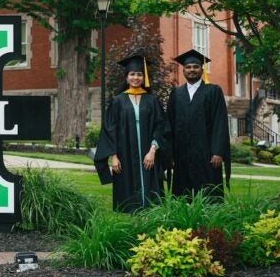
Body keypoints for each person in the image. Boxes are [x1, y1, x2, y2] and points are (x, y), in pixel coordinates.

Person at [94, 54, 170, 213]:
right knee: (127, 186)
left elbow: (161, 125)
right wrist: (113, 156)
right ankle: (131, 216)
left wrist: (153, 150)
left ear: (144, 77)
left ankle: (151, 214)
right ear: (126, 78)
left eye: (139, 74)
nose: (136, 77)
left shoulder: (152, 100)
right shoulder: (118, 101)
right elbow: (109, 129)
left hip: (148, 151)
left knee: (151, 189)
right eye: (132, 74)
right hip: (124, 153)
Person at [167, 49, 231, 200]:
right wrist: (169, 154)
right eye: (188, 67)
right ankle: (183, 221)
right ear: (183, 70)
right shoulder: (176, 93)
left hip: (207, 153)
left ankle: (211, 222)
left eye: (195, 67)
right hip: (182, 153)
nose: (191, 70)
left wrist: (218, 151)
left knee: (208, 192)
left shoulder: (213, 91)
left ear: (202, 69)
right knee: (183, 193)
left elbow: (219, 122)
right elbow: (169, 124)